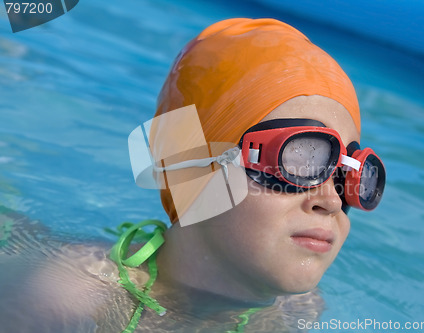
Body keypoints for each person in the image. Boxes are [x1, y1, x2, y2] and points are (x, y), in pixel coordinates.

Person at [0, 18, 385, 332]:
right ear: (193, 164)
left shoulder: (296, 311)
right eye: (302, 158)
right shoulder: (68, 295)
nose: (332, 200)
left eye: (348, 174)